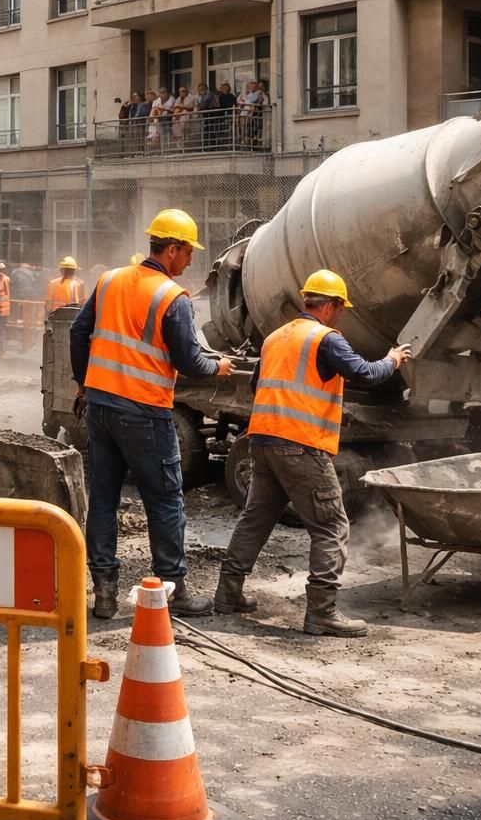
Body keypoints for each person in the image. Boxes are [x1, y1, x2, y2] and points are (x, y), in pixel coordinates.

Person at [217, 270, 412, 635]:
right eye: (341, 308)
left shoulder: (275, 337)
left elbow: (259, 383)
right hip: (301, 444)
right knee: (332, 526)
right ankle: (321, 611)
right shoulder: (327, 339)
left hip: (261, 440)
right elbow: (366, 374)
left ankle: (228, 594)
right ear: (332, 305)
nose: (341, 315)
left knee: (255, 519)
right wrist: (393, 359)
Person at [71, 210, 234, 619]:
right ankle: (174, 591)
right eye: (188, 253)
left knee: (104, 499)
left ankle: (104, 593)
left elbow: (78, 332)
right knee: (164, 502)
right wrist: (219, 366)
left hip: (102, 408)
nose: (191, 262)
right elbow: (191, 362)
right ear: (173, 249)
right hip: (144, 411)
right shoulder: (171, 298)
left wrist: (83, 384)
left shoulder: (109, 281)